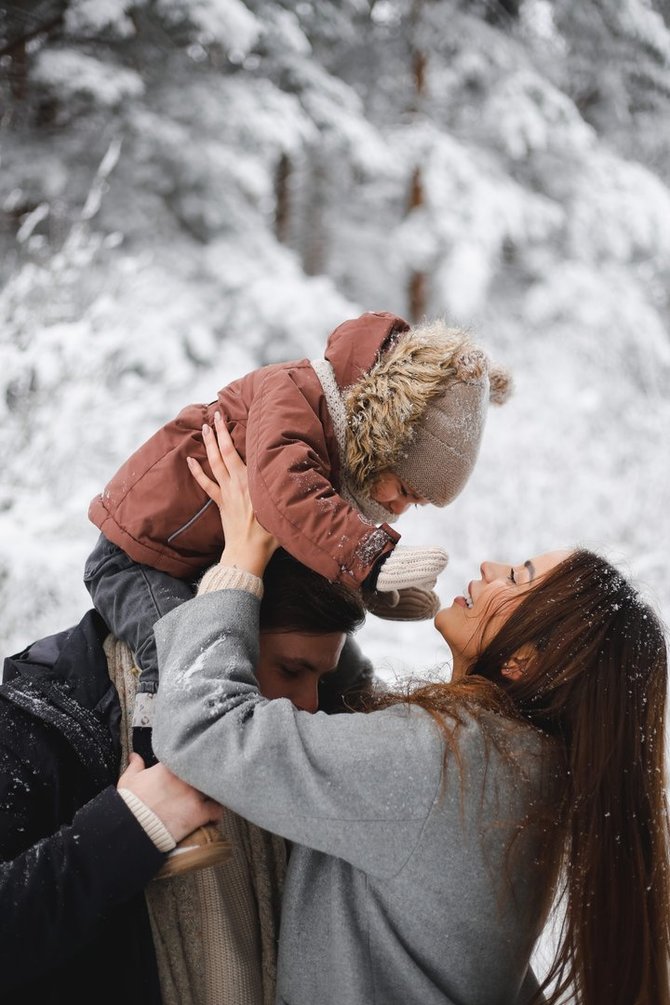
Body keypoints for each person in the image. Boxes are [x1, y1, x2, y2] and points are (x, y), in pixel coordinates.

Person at [153, 415, 670, 1005]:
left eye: (519, 577)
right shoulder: (526, 775)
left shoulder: (455, 763)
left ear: (526, 660)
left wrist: (239, 564)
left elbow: (200, 726)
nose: (490, 569)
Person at [84, 310, 511, 759]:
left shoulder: (333, 449)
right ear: (386, 438)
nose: (401, 509)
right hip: (137, 560)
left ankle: (381, 736)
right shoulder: (292, 394)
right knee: (177, 650)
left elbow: (311, 540)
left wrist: (379, 591)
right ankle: (156, 762)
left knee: (323, 637)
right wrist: (371, 559)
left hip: (208, 558)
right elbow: (285, 492)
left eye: (415, 504)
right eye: (405, 490)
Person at [0, 549, 367, 1005]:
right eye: (291, 670)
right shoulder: (39, 725)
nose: (310, 703)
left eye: (321, 677)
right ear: (217, 634)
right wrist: (128, 826)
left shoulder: (308, 734)